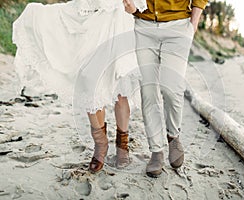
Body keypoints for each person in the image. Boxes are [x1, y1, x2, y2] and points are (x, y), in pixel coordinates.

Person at [13, 0, 147, 173]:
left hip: (121, 22)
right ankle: (101, 145)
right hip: (92, 23)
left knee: (121, 90)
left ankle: (123, 147)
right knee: (90, 84)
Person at [123, 0, 208, 177]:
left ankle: (173, 136)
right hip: (143, 25)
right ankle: (156, 150)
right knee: (148, 91)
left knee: (172, 88)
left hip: (178, 26)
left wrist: (193, 25)